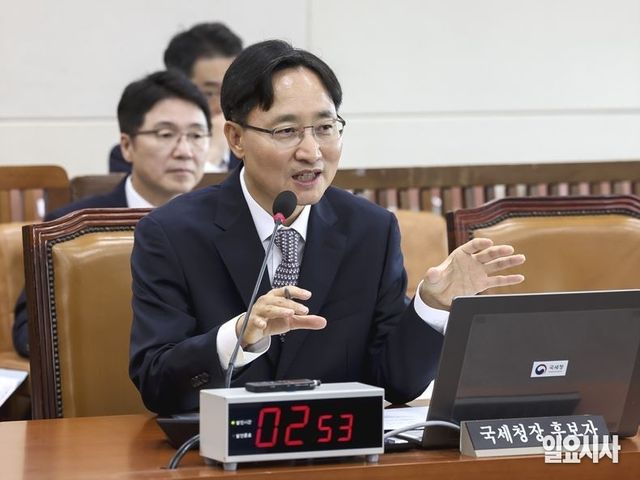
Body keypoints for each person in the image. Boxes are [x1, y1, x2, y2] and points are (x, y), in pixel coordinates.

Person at [129, 40, 526, 415]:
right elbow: (156, 383)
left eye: (325, 127)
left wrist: (431, 306)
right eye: (286, 131)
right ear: (236, 138)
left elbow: (395, 383)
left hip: (339, 447)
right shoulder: (172, 234)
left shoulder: (370, 229)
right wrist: (238, 335)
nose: (311, 152)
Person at [12, 70, 211, 358]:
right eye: (166, 134)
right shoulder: (70, 230)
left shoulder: (222, 224)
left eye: (196, 135)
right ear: (127, 146)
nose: (185, 151)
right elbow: (28, 333)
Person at [110, 22, 243, 174]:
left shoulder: (250, 151)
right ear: (177, 88)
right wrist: (212, 154)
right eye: (209, 93)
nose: (222, 106)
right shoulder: (134, 154)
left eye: (230, 90)